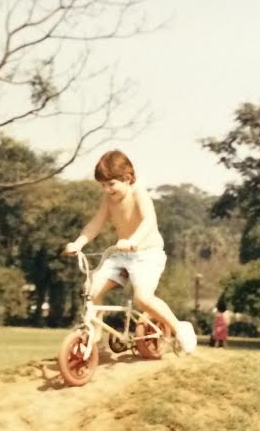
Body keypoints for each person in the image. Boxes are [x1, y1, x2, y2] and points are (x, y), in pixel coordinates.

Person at [64, 150, 197, 354]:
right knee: (91, 289)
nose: (107, 189)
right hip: (121, 254)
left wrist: (133, 240)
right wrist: (78, 243)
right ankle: (94, 335)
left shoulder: (138, 193)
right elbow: (95, 224)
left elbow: (148, 220)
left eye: (111, 184)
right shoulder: (108, 200)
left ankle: (180, 328)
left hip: (147, 253)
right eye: (103, 185)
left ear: (127, 178)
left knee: (142, 298)